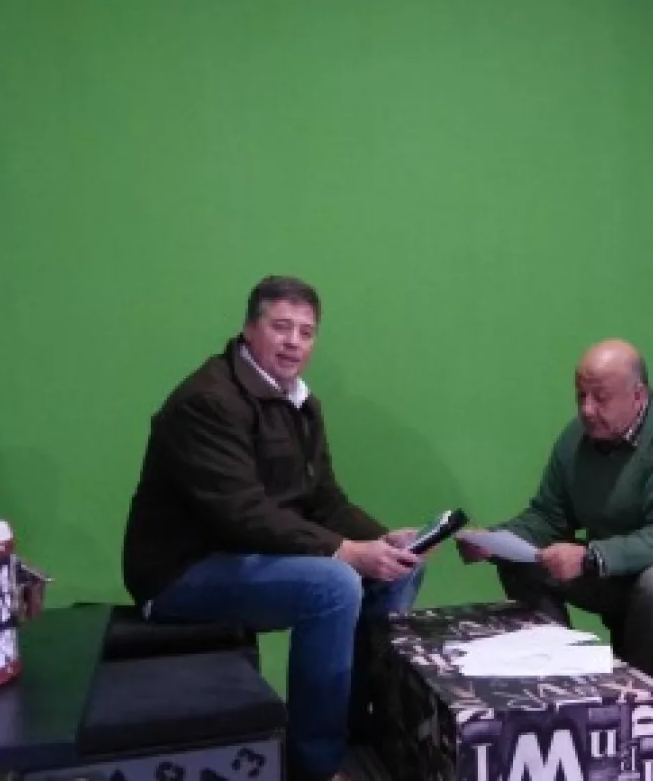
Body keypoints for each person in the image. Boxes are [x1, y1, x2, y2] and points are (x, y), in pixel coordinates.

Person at [122, 276, 428, 781]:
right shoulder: (207, 401)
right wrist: (344, 551)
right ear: (249, 329)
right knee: (334, 584)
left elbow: (324, 501)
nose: (294, 343)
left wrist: (382, 540)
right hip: (181, 573)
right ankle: (316, 766)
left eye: (306, 332)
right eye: (281, 327)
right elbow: (240, 513)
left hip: (245, 557)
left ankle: (359, 732)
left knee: (399, 569)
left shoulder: (302, 404)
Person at [460, 339, 653, 679]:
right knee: (523, 561)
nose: (587, 409)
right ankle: (561, 673)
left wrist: (590, 557)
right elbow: (549, 516)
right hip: (617, 562)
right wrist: (495, 540)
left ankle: (628, 692)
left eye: (601, 397)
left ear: (638, 395)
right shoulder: (576, 438)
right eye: (581, 396)